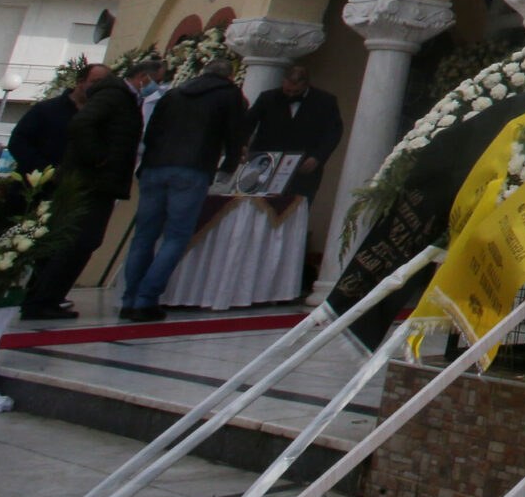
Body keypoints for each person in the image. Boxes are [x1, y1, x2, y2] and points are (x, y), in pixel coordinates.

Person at [119, 56, 247, 323]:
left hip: (155, 167)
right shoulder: (229, 95)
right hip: (192, 168)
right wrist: (229, 167)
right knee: (176, 237)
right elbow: (235, 134)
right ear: (229, 76)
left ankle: (129, 299)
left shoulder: (174, 93)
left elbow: (151, 131)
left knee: (143, 236)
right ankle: (146, 299)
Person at [20, 58, 149, 321]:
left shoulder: (117, 98)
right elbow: (82, 124)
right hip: (90, 181)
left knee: (76, 240)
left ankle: (44, 297)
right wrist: (98, 158)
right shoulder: (113, 96)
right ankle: (43, 299)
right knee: (78, 240)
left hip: (93, 181)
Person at [242, 65, 342, 198]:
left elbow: (333, 132)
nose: (291, 95)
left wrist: (317, 157)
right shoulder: (268, 97)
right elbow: (248, 123)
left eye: (296, 91)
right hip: (265, 162)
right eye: (288, 90)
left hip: (302, 165)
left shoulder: (325, 101)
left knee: (295, 204)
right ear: (283, 82)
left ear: (306, 85)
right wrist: (243, 145)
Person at [7, 64, 94, 177]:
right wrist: (45, 170)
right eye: (96, 82)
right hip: (37, 181)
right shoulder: (46, 109)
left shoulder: (101, 116)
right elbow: (18, 142)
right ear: (80, 82)